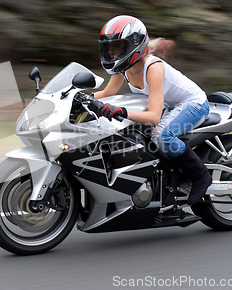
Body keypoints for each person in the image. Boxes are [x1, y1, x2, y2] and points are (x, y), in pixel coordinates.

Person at [91, 15, 212, 205]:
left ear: (133, 45)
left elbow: (154, 117)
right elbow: (108, 92)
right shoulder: (123, 67)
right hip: (169, 105)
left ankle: (201, 177)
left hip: (193, 103)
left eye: (117, 46)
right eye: (109, 47)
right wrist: (81, 98)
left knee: (162, 136)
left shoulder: (153, 67)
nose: (112, 52)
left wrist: (120, 111)